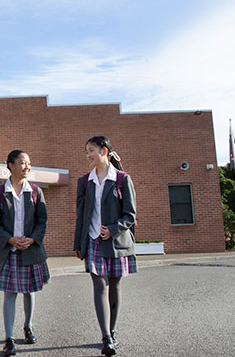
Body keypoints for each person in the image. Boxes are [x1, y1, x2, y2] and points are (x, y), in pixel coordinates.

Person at [74, 136, 137, 356]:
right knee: (99, 285)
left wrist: (113, 228)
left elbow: (130, 215)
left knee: (114, 285)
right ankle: (106, 336)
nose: (88, 155)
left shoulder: (122, 179)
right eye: (86, 151)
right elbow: (81, 215)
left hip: (116, 241)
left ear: (105, 151)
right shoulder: (84, 181)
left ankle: (113, 330)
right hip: (92, 240)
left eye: (91, 150)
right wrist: (78, 243)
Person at [0, 150, 50, 356]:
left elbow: (42, 220)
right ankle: (9, 338)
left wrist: (32, 239)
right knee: (10, 293)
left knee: (29, 291)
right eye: (22, 163)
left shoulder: (35, 191)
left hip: (31, 249)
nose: (27, 166)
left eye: (29, 163)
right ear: (10, 165)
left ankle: (28, 326)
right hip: (9, 250)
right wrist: (10, 239)